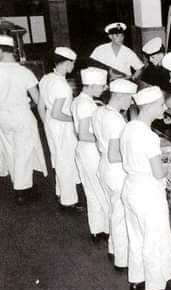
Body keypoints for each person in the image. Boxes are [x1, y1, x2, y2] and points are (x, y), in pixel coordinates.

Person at [120, 86, 171, 290]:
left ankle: (137, 280)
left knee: (136, 236)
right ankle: (154, 287)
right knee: (153, 239)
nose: (164, 108)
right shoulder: (148, 136)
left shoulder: (129, 128)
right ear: (151, 106)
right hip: (148, 193)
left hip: (131, 187)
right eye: (161, 104)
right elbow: (157, 172)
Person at [92, 79, 137, 270]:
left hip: (104, 166)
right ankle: (122, 260)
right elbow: (114, 154)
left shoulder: (100, 111)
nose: (131, 103)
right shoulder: (115, 119)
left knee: (113, 211)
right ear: (119, 96)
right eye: (129, 98)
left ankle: (113, 249)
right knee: (120, 216)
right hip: (116, 171)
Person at [0, 35, 47, 204]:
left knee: (10, 151)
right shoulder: (24, 71)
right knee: (24, 152)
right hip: (21, 115)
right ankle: (22, 190)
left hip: (2, 117)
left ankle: (20, 184)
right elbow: (37, 98)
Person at [38, 47, 82, 211]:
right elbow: (58, 113)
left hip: (51, 123)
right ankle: (68, 200)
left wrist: (46, 125)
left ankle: (60, 191)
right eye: (73, 63)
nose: (73, 66)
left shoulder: (46, 78)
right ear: (66, 63)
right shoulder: (62, 86)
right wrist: (75, 119)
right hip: (62, 125)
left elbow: (41, 106)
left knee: (58, 159)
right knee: (67, 162)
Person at [71, 67, 110, 242]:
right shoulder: (86, 104)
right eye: (102, 85)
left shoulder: (80, 100)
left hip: (83, 151)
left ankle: (97, 229)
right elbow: (84, 134)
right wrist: (105, 137)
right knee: (101, 191)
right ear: (93, 85)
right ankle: (109, 231)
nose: (104, 88)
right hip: (90, 151)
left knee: (92, 192)